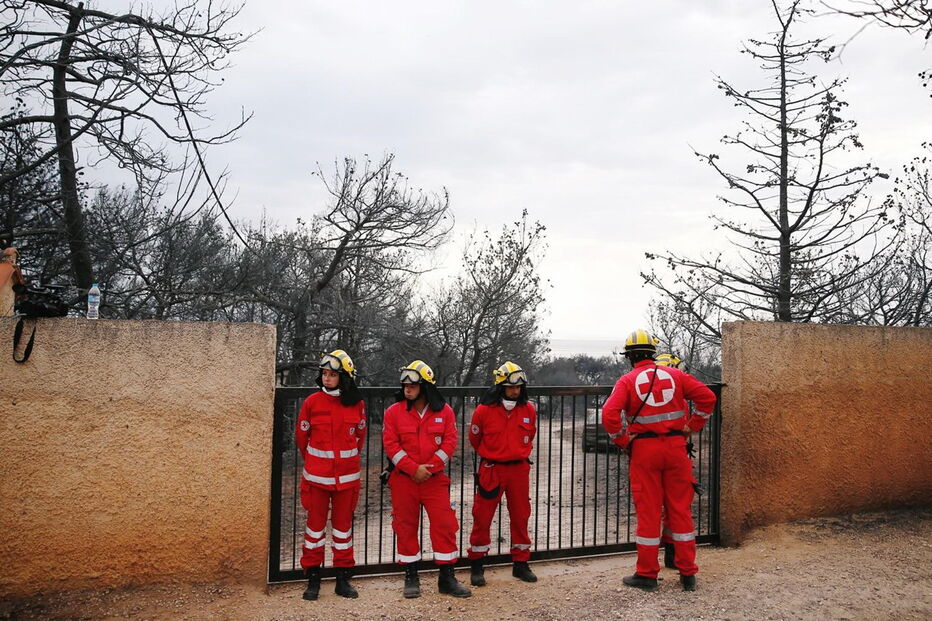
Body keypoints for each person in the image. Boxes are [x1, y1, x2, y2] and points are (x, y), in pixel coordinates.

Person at [602, 330, 716, 592]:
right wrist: (692, 425)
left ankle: (647, 574)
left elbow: (609, 413)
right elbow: (708, 398)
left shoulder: (627, 381)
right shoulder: (676, 375)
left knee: (649, 511)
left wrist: (622, 440)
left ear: (629, 356)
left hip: (645, 450)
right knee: (680, 509)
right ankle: (688, 574)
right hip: (677, 448)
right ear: (653, 353)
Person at [382, 360, 472, 599]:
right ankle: (411, 576)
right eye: (405, 385)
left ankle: (447, 577)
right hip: (404, 480)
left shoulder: (445, 412)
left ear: (425, 386)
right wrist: (412, 469)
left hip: (434, 480)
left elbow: (450, 442)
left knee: (444, 525)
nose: (407, 388)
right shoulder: (394, 412)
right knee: (405, 526)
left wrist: (429, 468)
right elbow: (391, 445)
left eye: (413, 384)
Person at [294, 350, 366, 601]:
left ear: (344, 378)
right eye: (324, 373)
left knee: (343, 530)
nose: (326, 378)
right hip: (316, 480)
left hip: (347, 481)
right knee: (314, 530)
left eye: (332, 374)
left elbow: (359, 438)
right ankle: (312, 579)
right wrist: (317, 462)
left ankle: (342, 580)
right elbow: (302, 439)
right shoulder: (312, 402)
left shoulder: (357, 404)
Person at [467, 361, 538, 587]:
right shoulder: (483, 411)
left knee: (520, 516)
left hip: (519, 469)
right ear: (500, 387)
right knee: (482, 516)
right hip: (492, 469)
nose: (515, 391)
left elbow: (530, 436)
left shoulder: (529, 410)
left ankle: (520, 563)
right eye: (510, 387)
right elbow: (475, 439)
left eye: (518, 388)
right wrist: (493, 454)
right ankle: (477, 564)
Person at [655, 352, 684, 570]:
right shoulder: (677, 390)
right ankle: (673, 555)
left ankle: (662, 555)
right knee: (676, 506)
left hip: (649, 452)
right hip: (675, 451)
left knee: (654, 507)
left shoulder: (645, 386)